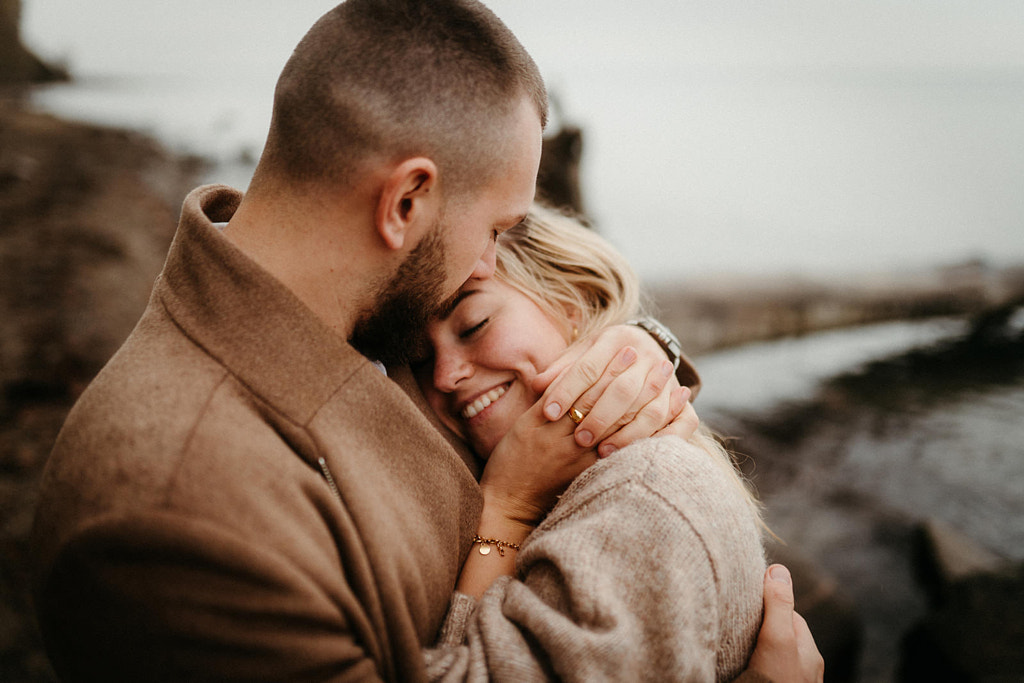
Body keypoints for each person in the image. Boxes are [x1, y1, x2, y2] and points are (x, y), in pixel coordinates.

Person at [31, 1, 820, 681]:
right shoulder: (173, 516)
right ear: (407, 201)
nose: (492, 259)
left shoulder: (366, 319)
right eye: (497, 228)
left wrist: (631, 347)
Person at [413, 205, 824, 681]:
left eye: (473, 325)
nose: (444, 375)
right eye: (420, 359)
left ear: (574, 304)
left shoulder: (641, 495)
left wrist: (508, 505)